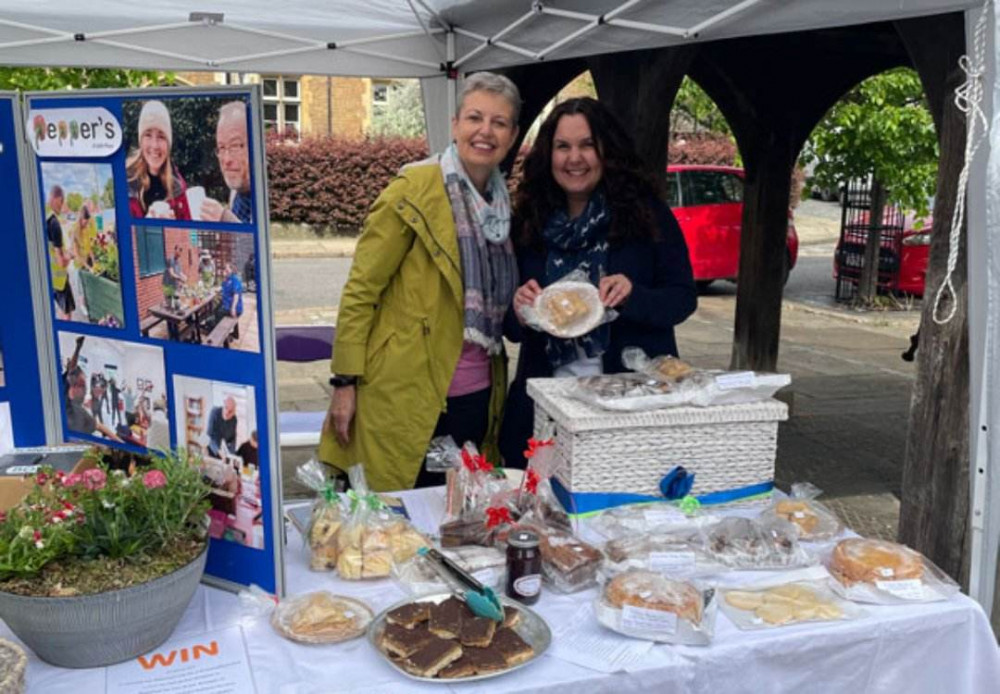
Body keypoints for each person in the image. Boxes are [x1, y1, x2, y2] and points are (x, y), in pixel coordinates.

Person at [318, 72, 522, 492]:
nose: (485, 131)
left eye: (499, 123)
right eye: (475, 118)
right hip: (403, 392)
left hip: (478, 395)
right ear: (455, 125)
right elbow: (361, 291)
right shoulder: (414, 187)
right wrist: (344, 382)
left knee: (454, 520)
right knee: (393, 524)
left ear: (513, 134)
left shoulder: (502, 207)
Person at [500, 97, 698, 468]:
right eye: (563, 146)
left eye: (587, 145)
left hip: (629, 405)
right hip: (548, 406)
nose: (574, 158)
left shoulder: (646, 216)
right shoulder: (529, 222)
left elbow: (683, 298)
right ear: (549, 155)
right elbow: (509, 326)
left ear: (607, 151)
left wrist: (633, 296)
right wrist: (520, 310)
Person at [126, 100, 192, 220]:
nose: (154, 145)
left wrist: (173, 227)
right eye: (148, 135)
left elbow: (190, 235)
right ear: (140, 140)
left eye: (161, 136)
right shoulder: (125, 183)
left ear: (168, 143)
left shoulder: (178, 188)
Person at [201, 101, 252, 223]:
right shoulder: (236, 192)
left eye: (234, 146)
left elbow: (257, 240)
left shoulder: (269, 193)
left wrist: (225, 219)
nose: (227, 160)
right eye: (222, 148)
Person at [46, 185, 75, 321]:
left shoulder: (41, 216)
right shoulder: (54, 223)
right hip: (59, 280)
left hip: (48, 278)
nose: (62, 205)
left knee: (57, 309)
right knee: (66, 314)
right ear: (57, 199)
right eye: (62, 201)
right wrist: (70, 256)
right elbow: (61, 262)